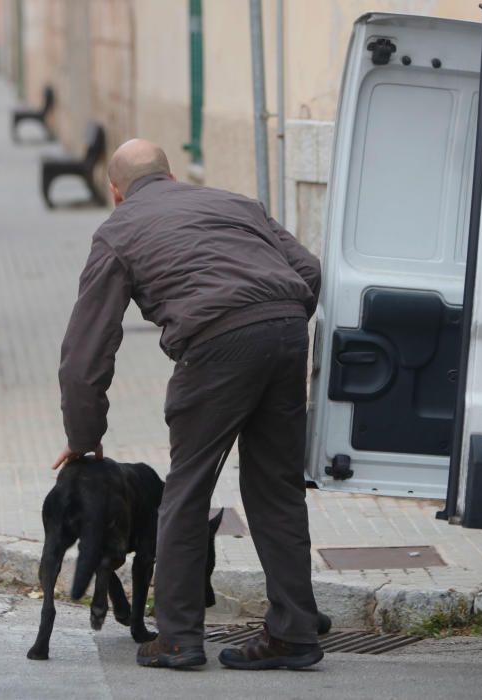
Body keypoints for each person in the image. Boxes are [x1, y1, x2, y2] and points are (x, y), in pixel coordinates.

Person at [53, 139, 323, 671]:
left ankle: (178, 636)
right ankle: (294, 632)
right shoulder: (236, 204)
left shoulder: (118, 230)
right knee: (278, 490)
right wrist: (278, 324)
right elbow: (308, 269)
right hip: (288, 328)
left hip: (217, 343)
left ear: (115, 193)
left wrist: (85, 439)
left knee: (187, 487)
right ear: (173, 177)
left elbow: (85, 353)